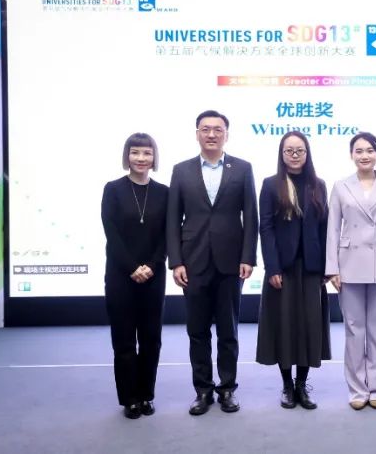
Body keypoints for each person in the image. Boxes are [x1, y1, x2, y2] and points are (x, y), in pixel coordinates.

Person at [167, 110, 259, 415]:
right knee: (197, 331)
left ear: (226, 135)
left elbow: (251, 215)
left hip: (231, 262)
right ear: (197, 134)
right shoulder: (181, 170)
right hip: (192, 262)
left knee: (228, 331)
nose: (211, 134)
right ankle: (203, 390)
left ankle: (227, 389)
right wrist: (176, 261)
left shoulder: (242, 168)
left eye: (217, 129)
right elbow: (172, 219)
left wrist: (248, 256)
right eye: (205, 129)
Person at [325, 132, 376, 410]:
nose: (364, 155)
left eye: (370, 150)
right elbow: (332, 229)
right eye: (358, 151)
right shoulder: (340, 187)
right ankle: (357, 390)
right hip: (348, 265)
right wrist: (332, 268)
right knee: (354, 330)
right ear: (351, 155)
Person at [256, 131, 331, 410]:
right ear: (282, 154)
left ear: (307, 153)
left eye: (300, 150)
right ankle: (287, 385)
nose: (295, 155)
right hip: (283, 269)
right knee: (285, 327)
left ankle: (302, 385)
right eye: (289, 150)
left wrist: (327, 267)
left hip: (311, 268)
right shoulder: (270, 184)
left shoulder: (318, 185)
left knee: (309, 327)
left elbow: (325, 228)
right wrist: (272, 267)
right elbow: (266, 228)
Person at [101, 133, 168, 419]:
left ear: (154, 157)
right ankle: (129, 398)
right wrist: (132, 267)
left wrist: (152, 265)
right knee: (124, 340)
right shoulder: (113, 189)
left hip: (154, 276)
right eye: (135, 152)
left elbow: (167, 235)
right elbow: (111, 233)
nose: (141, 158)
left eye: (147, 153)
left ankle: (146, 395)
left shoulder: (164, 192)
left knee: (151, 339)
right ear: (127, 156)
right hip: (121, 276)